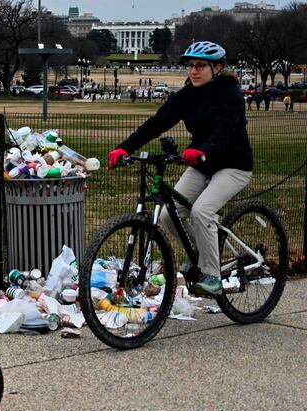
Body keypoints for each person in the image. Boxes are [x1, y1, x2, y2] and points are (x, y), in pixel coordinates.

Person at [107, 41, 253, 296]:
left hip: (233, 165)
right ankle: (198, 254)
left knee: (202, 212)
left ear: (217, 68)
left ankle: (212, 275)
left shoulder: (230, 94)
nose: (193, 71)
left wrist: (204, 149)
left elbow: (226, 129)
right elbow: (157, 123)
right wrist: (124, 148)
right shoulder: (186, 95)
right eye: (190, 66)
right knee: (166, 215)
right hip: (201, 164)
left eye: (200, 66)